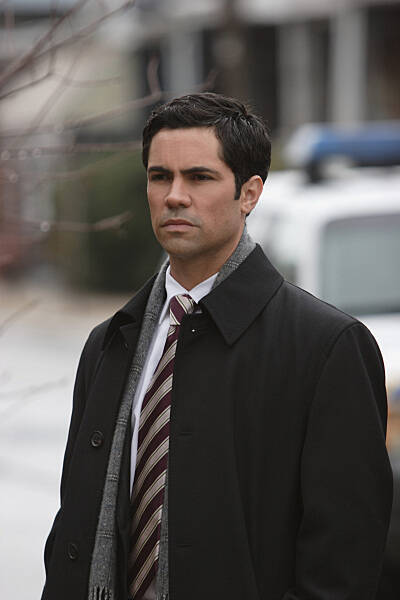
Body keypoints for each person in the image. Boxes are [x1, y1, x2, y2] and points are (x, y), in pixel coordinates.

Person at [41, 92, 392, 600]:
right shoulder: (110, 343)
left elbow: (343, 563)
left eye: (199, 177)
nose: (174, 196)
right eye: (160, 176)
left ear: (249, 194)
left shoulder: (328, 347)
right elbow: (74, 527)